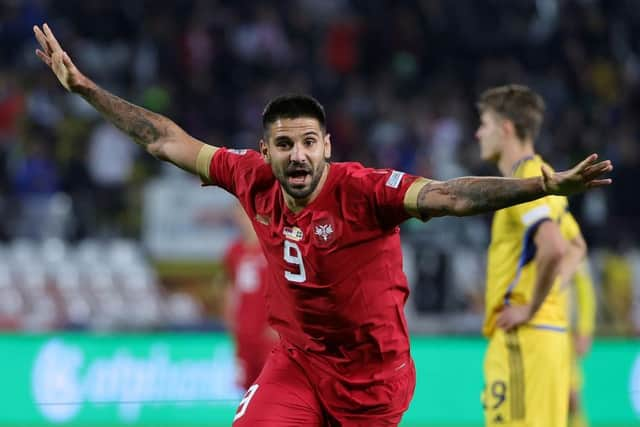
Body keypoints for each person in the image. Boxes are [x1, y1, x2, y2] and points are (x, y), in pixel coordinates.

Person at [34, 24, 613, 427]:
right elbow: (165, 139)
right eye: (284, 145)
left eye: (310, 143)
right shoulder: (249, 177)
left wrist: (543, 185)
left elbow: (449, 196)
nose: (299, 156)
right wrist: (85, 90)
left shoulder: (363, 190)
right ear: (267, 149)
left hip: (373, 379)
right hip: (300, 364)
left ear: (327, 146)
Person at [475, 84, 594, 427]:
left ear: (506, 128)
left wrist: (531, 304)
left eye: (484, 122)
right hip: (551, 339)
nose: (478, 132)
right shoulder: (545, 175)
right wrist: (549, 291)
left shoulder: (525, 180)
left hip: (524, 339)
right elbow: (577, 247)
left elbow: (555, 246)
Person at [222, 204, 278, 390]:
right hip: (245, 334)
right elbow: (231, 289)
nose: (244, 218)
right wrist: (231, 323)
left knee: (271, 388)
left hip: (269, 334)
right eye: (240, 213)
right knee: (247, 388)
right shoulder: (234, 251)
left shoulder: (275, 248)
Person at [568, 259, 596, 427]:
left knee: (571, 395)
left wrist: (585, 329)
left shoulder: (570, 237)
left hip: (562, 333)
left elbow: (584, 288)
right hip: (534, 332)